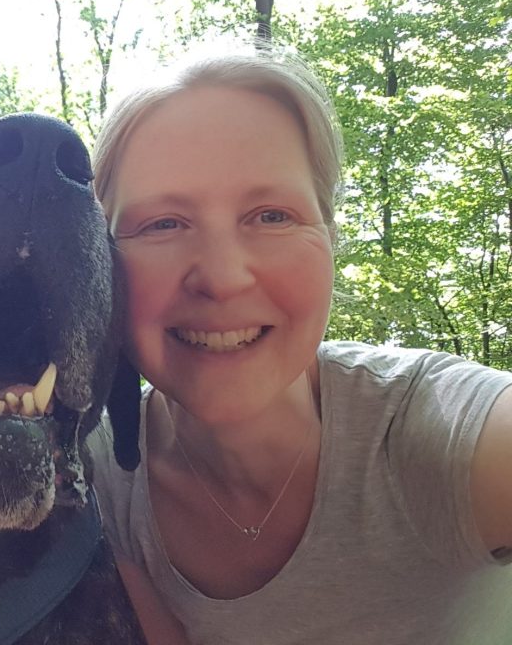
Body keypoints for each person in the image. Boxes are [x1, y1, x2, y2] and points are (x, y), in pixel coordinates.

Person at [86, 47, 512, 645]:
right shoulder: (101, 472)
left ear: (329, 237)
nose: (223, 276)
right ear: (100, 261)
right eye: (163, 224)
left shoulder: (434, 434)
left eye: (271, 216)